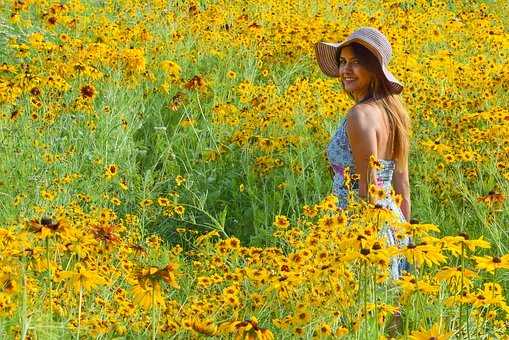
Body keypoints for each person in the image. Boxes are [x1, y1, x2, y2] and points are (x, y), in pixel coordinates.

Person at [315, 27, 411, 279]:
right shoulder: (394, 115)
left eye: (356, 62)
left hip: (362, 225)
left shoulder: (359, 116)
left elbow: (367, 187)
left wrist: (361, 242)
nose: (345, 70)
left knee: (363, 309)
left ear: (374, 70)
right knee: (391, 312)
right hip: (391, 220)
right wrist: (405, 239)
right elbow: (402, 185)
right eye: (343, 62)